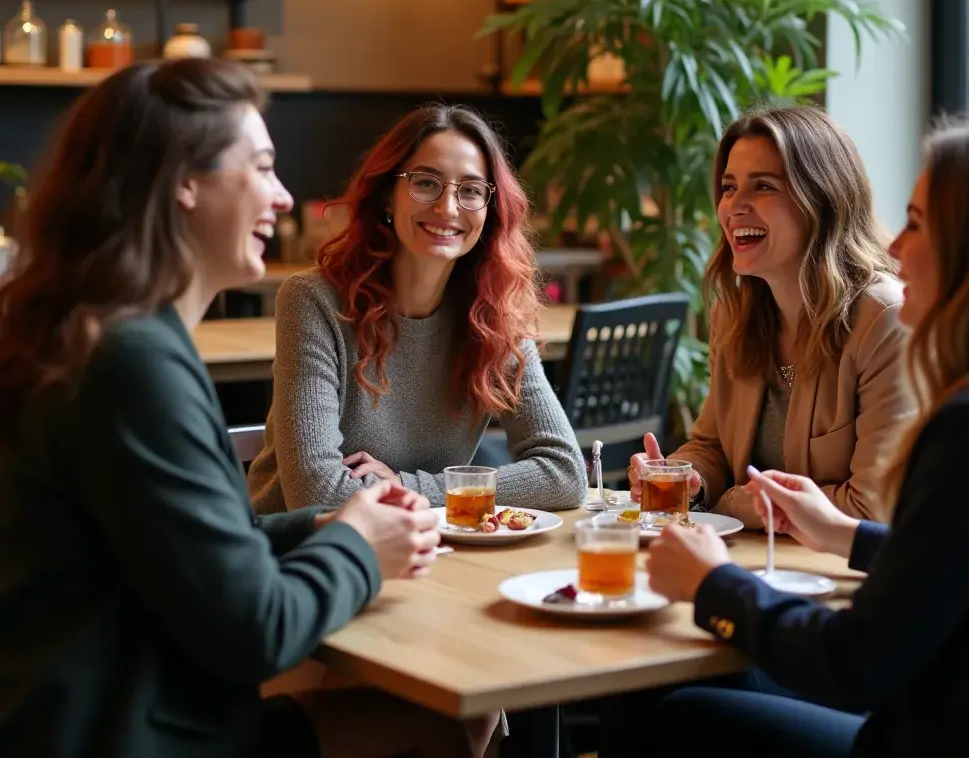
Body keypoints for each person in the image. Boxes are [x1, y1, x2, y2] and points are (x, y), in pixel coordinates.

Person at [0, 60, 495, 758]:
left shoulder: (105, 335)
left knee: (452, 717)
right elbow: (256, 629)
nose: (285, 197)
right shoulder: (132, 362)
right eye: (261, 167)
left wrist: (323, 523)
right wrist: (357, 547)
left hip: (104, 710)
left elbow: (194, 548)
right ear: (185, 182)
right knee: (447, 723)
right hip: (125, 732)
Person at [638, 124, 969, 756]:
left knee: (674, 716)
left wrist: (715, 585)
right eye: (729, 186)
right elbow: (954, 558)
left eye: (919, 224)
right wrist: (838, 531)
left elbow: (858, 663)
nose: (895, 248)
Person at [247, 103, 587, 515]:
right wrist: (448, 493)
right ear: (388, 195)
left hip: (424, 549)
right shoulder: (313, 302)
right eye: (425, 183)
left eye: (472, 190)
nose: (447, 208)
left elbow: (565, 475)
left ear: (489, 212)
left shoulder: (496, 316)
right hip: (306, 558)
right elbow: (318, 496)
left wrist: (411, 487)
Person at [629, 106, 912, 526]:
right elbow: (713, 446)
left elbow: (872, 508)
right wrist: (688, 480)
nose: (733, 207)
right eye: (728, 187)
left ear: (821, 198)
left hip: (840, 578)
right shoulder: (736, 311)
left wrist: (731, 503)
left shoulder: (885, 319)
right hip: (756, 565)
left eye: (762, 186)